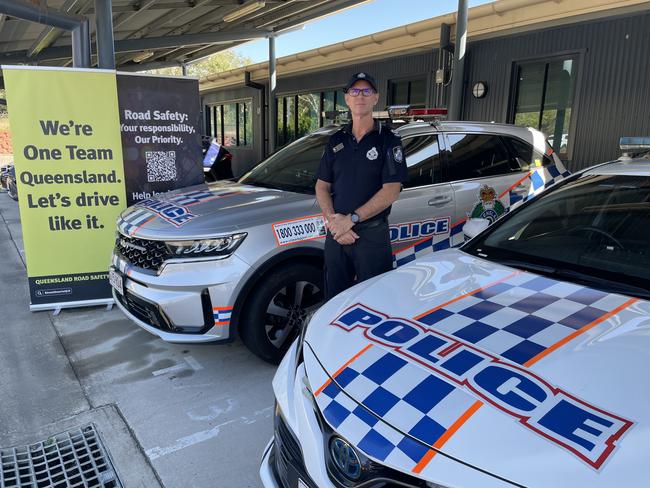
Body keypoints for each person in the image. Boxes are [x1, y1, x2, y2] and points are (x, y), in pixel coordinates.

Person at [315, 72, 407, 300]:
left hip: (371, 237)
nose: (360, 96)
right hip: (336, 235)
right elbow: (321, 186)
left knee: (374, 302)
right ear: (346, 98)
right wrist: (334, 222)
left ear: (376, 98)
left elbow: (391, 191)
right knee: (333, 302)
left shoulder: (388, 140)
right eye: (355, 91)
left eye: (367, 91)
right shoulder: (336, 140)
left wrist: (351, 220)